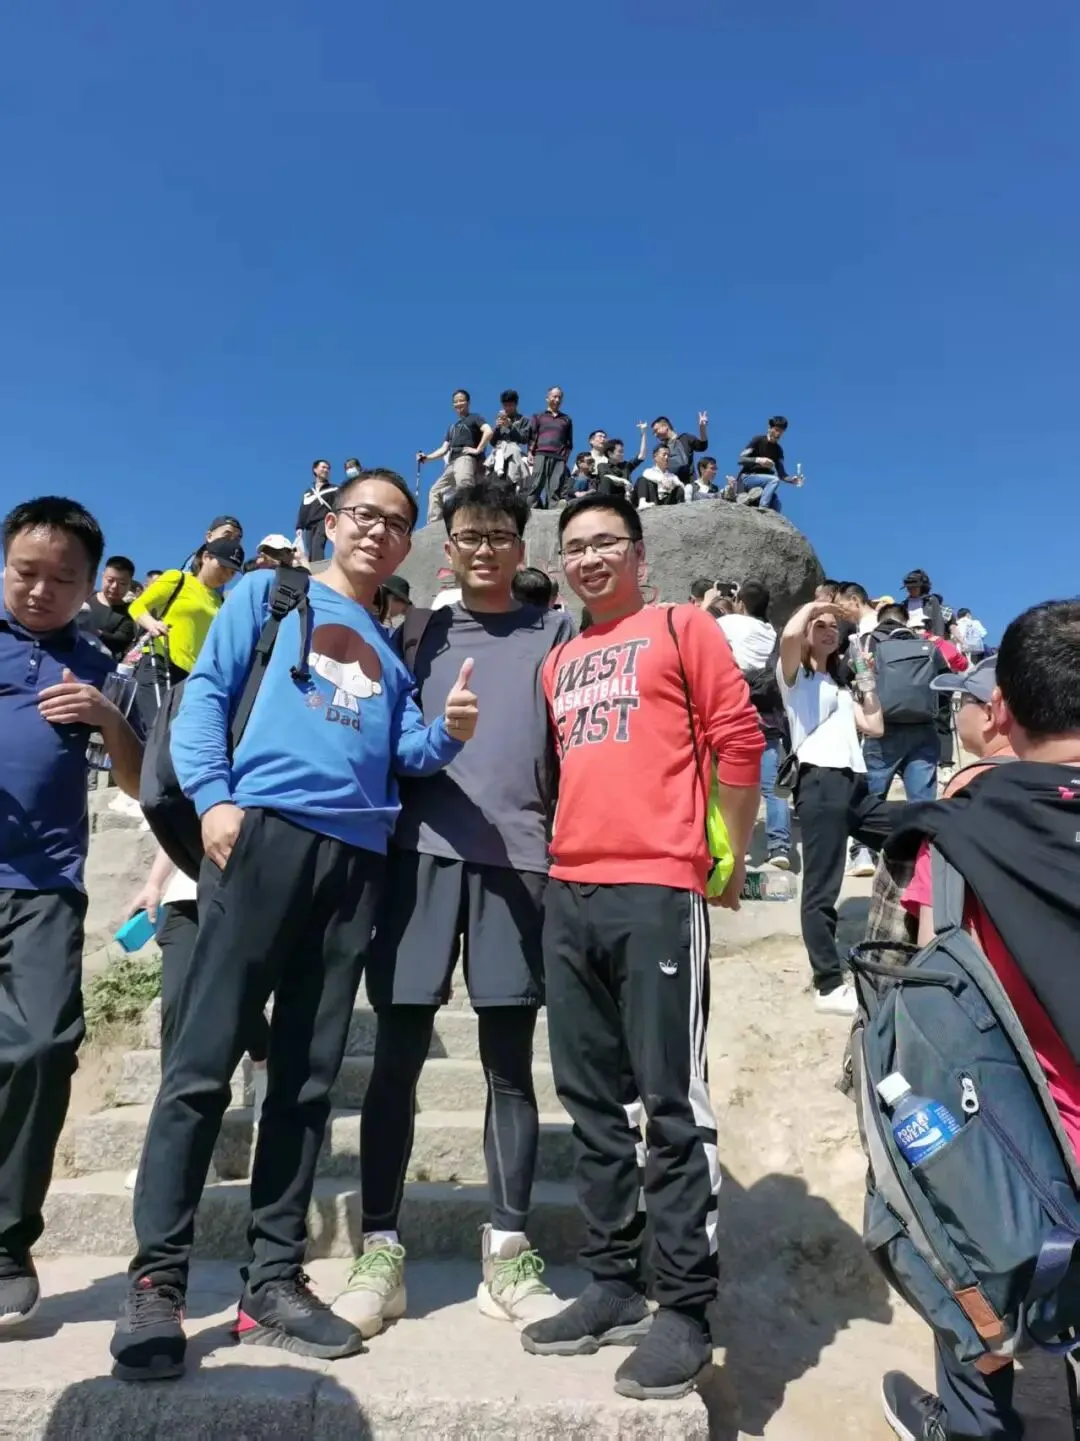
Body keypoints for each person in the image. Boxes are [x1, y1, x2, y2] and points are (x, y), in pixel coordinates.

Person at [109, 468, 478, 1380]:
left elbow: (400, 750)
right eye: (365, 515)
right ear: (331, 521)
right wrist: (214, 799)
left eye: (397, 523)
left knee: (308, 1081)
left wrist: (449, 732)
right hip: (261, 834)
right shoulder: (271, 596)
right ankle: (156, 1282)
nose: (379, 531)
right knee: (201, 1066)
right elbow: (205, 696)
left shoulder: (390, 649)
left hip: (355, 862)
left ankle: (271, 1279)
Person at [519, 492, 763, 1402]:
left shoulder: (680, 625)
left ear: (638, 552)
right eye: (574, 547)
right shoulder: (559, 659)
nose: (589, 558)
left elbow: (738, 739)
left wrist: (727, 854)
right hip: (569, 888)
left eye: (605, 543)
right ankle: (613, 1282)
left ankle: (685, 1306)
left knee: (670, 1098)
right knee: (589, 1100)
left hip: (658, 884)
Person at [336, 481, 574, 1338]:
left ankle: (507, 1251)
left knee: (509, 1064)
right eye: (469, 535)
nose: (484, 549)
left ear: (521, 546)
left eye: (499, 535)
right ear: (449, 546)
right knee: (396, 1057)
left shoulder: (555, 632)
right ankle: (380, 1247)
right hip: (420, 857)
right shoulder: (416, 632)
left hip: (520, 861)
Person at [880, 603, 1080, 1441]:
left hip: (1029, 1164)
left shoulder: (957, 833)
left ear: (1001, 709)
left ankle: (971, 1426)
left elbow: (925, 992)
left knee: (964, 1230)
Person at [0, 497, 143, 1325]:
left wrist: (106, 717)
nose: (40, 589)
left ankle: (6, 1239)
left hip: (43, 886)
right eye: (26, 571)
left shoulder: (98, 663)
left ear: (91, 585)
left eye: (63, 578)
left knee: (45, 1042)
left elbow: (135, 780)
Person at [778, 600, 884, 1015]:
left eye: (833, 626)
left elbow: (875, 725)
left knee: (910, 831)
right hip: (820, 781)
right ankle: (827, 985)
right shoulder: (794, 678)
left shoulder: (839, 687)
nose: (829, 630)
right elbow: (789, 636)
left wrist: (866, 681)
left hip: (855, 786)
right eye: (819, 625)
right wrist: (816, 604)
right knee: (822, 887)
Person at [127, 538, 245, 732]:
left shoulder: (220, 602)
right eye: (223, 567)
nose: (226, 575)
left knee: (175, 734)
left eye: (232, 572)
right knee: (158, 730)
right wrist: (152, 624)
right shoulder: (178, 579)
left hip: (191, 677)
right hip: (160, 663)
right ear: (206, 557)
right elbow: (138, 606)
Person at [718, 581, 790, 868]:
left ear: (741, 602)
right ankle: (780, 847)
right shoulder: (771, 631)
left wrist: (714, 600)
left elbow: (700, 629)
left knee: (733, 783)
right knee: (772, 787)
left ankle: (738, 848)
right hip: (768, 714)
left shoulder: (729, 622)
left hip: (736, 712)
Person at [863, 603, 950, 805]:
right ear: (906, 622)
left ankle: (869, 826)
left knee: (872, 800)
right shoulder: (928, 647)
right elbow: (946, 684)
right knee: (922, 803)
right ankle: (920, 827)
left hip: (882, 728)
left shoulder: (870, 642)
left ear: (880, 620)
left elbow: (844, 676)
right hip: (923, 727)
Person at [419, 390, 493, 525]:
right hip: (452, 463)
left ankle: (470, 519)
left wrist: (478, 449)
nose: (458, 403)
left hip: (465, 459)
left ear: (468, 402)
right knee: (435, 491)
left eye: (461, 400)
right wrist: (427, 458)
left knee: (464, 488)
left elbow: (488, 431)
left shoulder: (474, 418)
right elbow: (444, 449)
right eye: (455, 401)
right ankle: (435, 525)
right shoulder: (452, 427)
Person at [78, 554, 138, 661]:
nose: (115, 586)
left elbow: (120, 641)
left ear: (129, 584)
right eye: (110, 580)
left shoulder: (129, 614)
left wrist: (95, 633)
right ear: (102, 576)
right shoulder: (83, 597)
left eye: (122, 583)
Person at [736, 416, 802, 512]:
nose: (778, 434)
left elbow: (782, 475)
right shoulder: (758, 440)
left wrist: (792, 480)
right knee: (773, 480)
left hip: (764, 483)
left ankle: (765, 514)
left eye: (781, 431)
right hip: (747, 478)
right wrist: (759, 460)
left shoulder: (778, 450)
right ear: (769, 428)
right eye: (776, 430)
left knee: (777, 504)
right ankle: (763, 508)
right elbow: (741, 459)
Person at [527, 386, 573, 509]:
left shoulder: (566, 419)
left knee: (555, 486)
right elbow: (532, 436)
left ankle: (553, 509)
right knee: (536, 483)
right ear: (547, 398)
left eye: (559, 397)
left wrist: (565, 458)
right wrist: (530, 453)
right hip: (541, 453)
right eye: (554, 396)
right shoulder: (539, 416)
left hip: (559, 456)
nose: (557, 400)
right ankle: (530, 508)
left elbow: (569, 442)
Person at [650, 413, 709, 491]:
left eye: (656, 430)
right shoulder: (661, 448)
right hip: (669, 486)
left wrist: (702, 427)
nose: (655, 435)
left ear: (665, 426)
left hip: (688, 485)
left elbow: (702, 446)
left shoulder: (685, 438)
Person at [295, 461, 337, 565]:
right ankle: (312, 571)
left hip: (324, 521)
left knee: (318, 545)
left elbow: (337, 505)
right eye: (323, 467)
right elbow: (304, 509)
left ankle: (319, 569)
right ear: (315, 470)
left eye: (328, 468)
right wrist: (299, 527)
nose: (326, 470)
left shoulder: (334, 489)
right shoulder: (308, 492)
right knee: (310, 549)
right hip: (309, 525)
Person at [490, 390, 532, 489]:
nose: (507, 408)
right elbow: (492, 442)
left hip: (516, 452)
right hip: (499, 451)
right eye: (505, 405)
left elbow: (524, 439)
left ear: (516, 404)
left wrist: (510, 426)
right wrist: (497, 428)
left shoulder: (524, 420)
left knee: (527, 471)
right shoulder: (500, 419)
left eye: (510, 405)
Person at [599, 425, 647, 503]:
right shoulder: (602, 466)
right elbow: (605, 476)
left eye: (623, 452)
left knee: (642, 479)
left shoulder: (626, 466)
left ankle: (642, 503)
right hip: (613, 498)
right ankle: (605, 506)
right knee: (606, 480)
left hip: (628, 497)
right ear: (610, 453)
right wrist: (624, 481)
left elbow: (641, 456)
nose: (622, 454)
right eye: (620, 452)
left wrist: (643, 433)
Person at [901, 569, 946, 637]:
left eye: (914, 587)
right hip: (909, 637)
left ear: (922, 587)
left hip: (927, 637)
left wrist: (938, 637)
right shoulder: (904, 604)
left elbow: (938, 620)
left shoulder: (931, 600)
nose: (911, 590)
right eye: (909, 588)